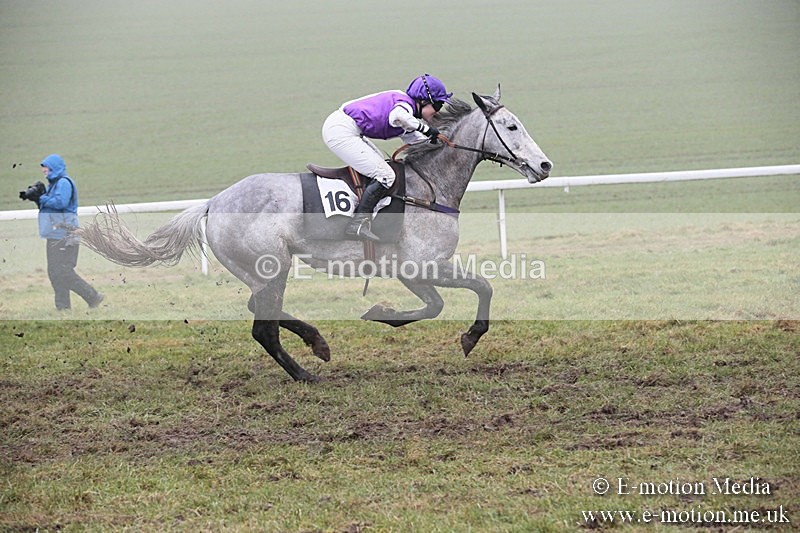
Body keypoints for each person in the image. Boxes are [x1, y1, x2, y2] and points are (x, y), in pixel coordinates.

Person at [322, 73, 453, 241]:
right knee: (385, 175)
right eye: (438, 105)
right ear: (423, 101)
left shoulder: (408, 114)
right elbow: (398, 117)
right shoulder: (404, 106)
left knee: (385, 170)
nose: (438, 112)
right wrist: (427, 129)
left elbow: (416, 141)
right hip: (340, 130)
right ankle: (357, 224)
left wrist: (440, 143)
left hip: (351, 131)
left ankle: (366, 214)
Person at [36, 154, 103, 310]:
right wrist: (37, 199)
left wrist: (42, 198)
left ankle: (93, 296)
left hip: (66, 235)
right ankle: (63, 307)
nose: (43, 170)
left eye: (45, 167)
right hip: (54, 235)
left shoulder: (64, 183)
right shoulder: (53, 185)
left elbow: (61, 202)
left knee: (63, 271)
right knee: (54, 272)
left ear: (53, 167)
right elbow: (50, 207)